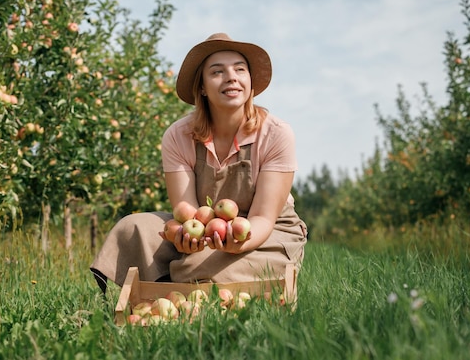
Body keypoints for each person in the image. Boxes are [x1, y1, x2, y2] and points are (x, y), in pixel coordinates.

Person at [90, 33, 307, 292]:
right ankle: (182, 283)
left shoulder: (275, 134)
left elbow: (262, 218)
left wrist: (236, 243)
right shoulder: (178, 135)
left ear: (249, 82)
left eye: (240, 69)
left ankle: (170, 287)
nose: (231, 77)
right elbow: (188, 211)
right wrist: (187, 240)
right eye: (217, 72)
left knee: (201, 264)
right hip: (205, 228)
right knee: (132, 228)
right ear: (202, 87)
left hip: (264, 235)